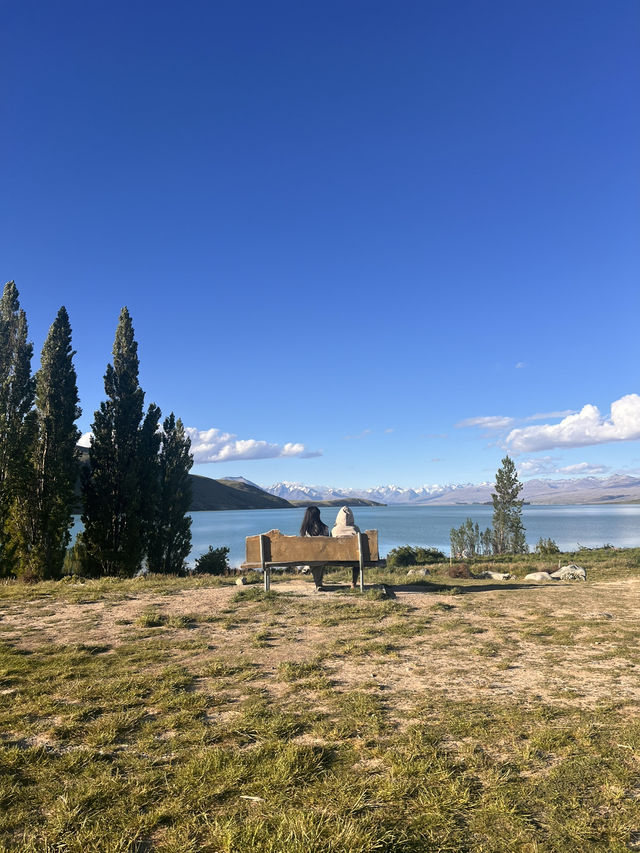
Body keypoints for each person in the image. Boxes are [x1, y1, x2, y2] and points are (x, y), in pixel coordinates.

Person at [299, 505, 329, 591]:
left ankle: (308, 568)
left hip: (308, 558)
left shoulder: (304, 530)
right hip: (322, 557)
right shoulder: (325, 528)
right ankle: (318, 583)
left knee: (312, 556)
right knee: (319, 556)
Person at [331, 506, 361, 588]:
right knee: (357, 561)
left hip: (336, 557)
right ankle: (353, 583)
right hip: (354, 557)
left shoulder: (334, 530)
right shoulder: (355, 529)